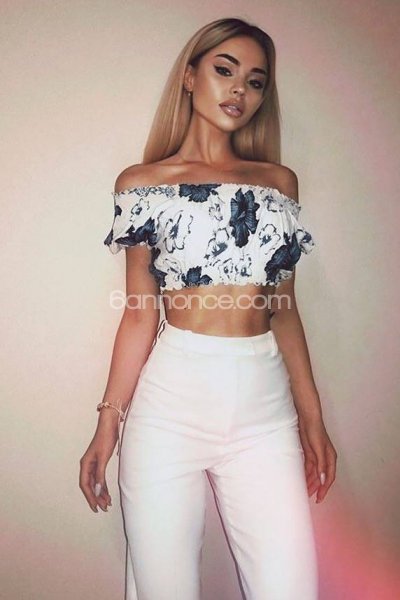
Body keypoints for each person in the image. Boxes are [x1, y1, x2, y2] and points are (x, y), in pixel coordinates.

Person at [79, 16, 337, 600]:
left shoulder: (278, 183)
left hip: (264, 411)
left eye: (255, 81)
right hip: (171, 405)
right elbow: (140, 313)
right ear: (190, 77)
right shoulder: (142, 183)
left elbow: (284, 309)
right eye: (225, 70)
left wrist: (313, 418)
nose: (239, 90)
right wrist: (107, 422)